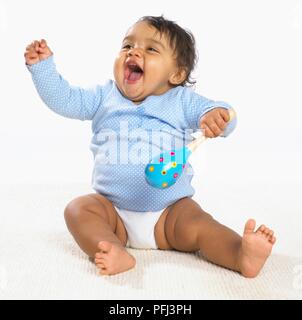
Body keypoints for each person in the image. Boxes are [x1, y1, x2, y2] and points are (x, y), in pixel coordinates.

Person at [25, 16, 276, 277]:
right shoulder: (104, 97)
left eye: (151, 49)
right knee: (78, 210)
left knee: (201, 225)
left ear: (176, 74)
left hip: (169, 212)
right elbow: (65, 100)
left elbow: (220, 112)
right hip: (113, 213)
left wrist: (216, 117)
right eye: (127, 46)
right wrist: (43, 69)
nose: (134, 51)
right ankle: (113, 248)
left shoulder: (181, 101)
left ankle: (240, 254)